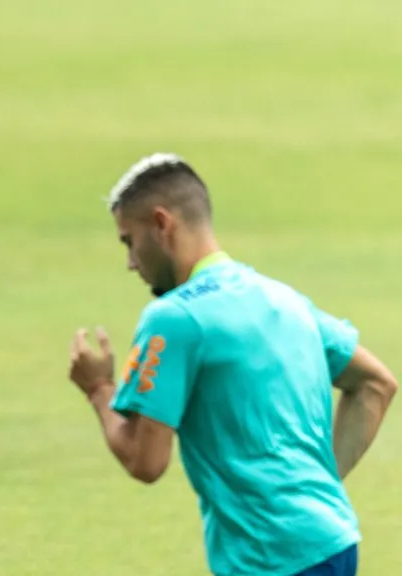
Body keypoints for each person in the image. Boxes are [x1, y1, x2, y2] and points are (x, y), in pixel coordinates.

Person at [67, 152, 397, 576]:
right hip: (332, 540)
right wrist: (315, 487)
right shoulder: (283, 299)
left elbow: (145, 462)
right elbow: (376, 383)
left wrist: (99, 391)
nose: (131, 262)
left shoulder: (175, 318)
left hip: (272, 560)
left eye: (129, 241)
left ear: (161, 224)